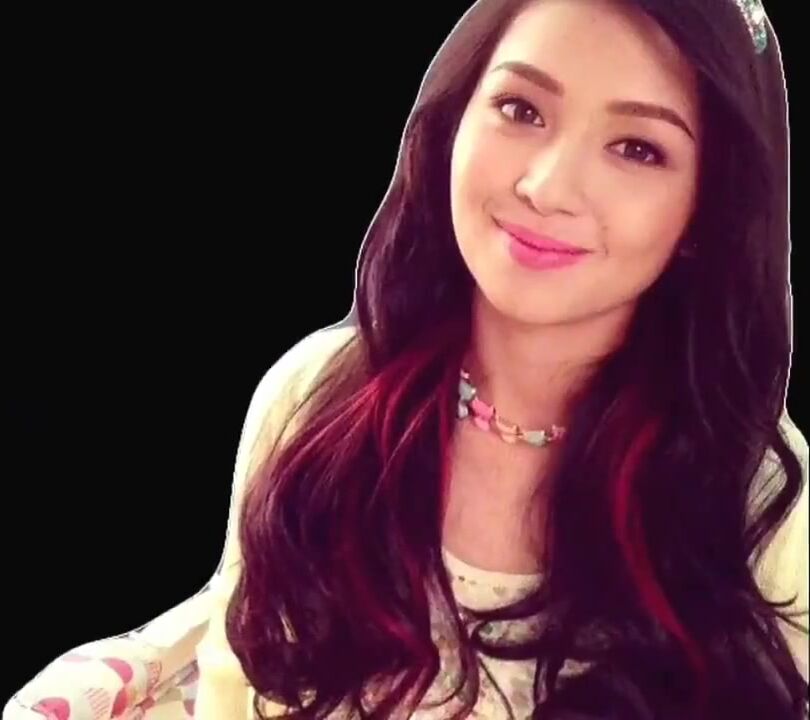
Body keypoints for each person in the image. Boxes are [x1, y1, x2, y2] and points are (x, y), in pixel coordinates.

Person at [194, 0, 808, 717]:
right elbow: (230, 687)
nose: (546, 188)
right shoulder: (315, 397)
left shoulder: (760, 492)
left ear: (707, 210)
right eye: (521, 110)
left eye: (637, 149)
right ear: (455, 119)